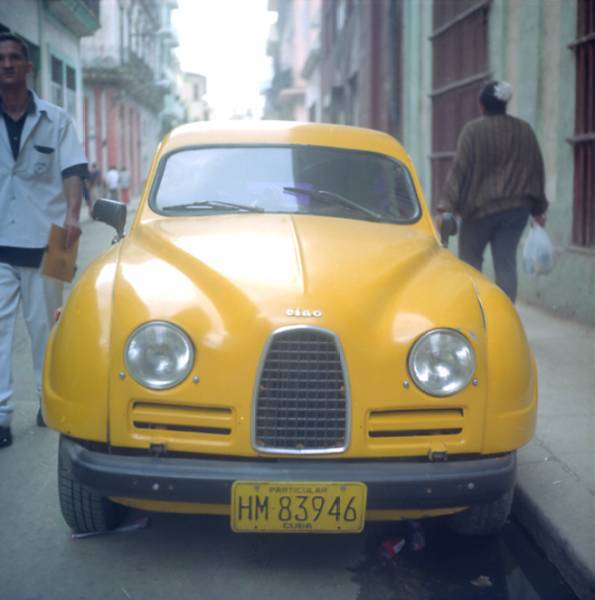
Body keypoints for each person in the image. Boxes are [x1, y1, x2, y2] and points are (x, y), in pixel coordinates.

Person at [0, 32, 87, 448]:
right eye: (1, 59)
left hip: (49, 241)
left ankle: (45, 402)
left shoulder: (57, 119)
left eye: (15, 57)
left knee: (45, 331)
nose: (7, 64)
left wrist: (73, 214)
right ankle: (0, 416)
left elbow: (73, 170)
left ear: (28, 65)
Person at [436, 80, 548, 302]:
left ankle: (473, 311)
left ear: (482, 105)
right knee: (506, 263)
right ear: (504, 104)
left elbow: (459, 170)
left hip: (478, 212)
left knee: (470, 264)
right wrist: (539, 209)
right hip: (515, 211)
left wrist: (444, 208)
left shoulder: (473, 131)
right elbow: (536, 168)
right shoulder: (524, 130)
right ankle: (504, 316)